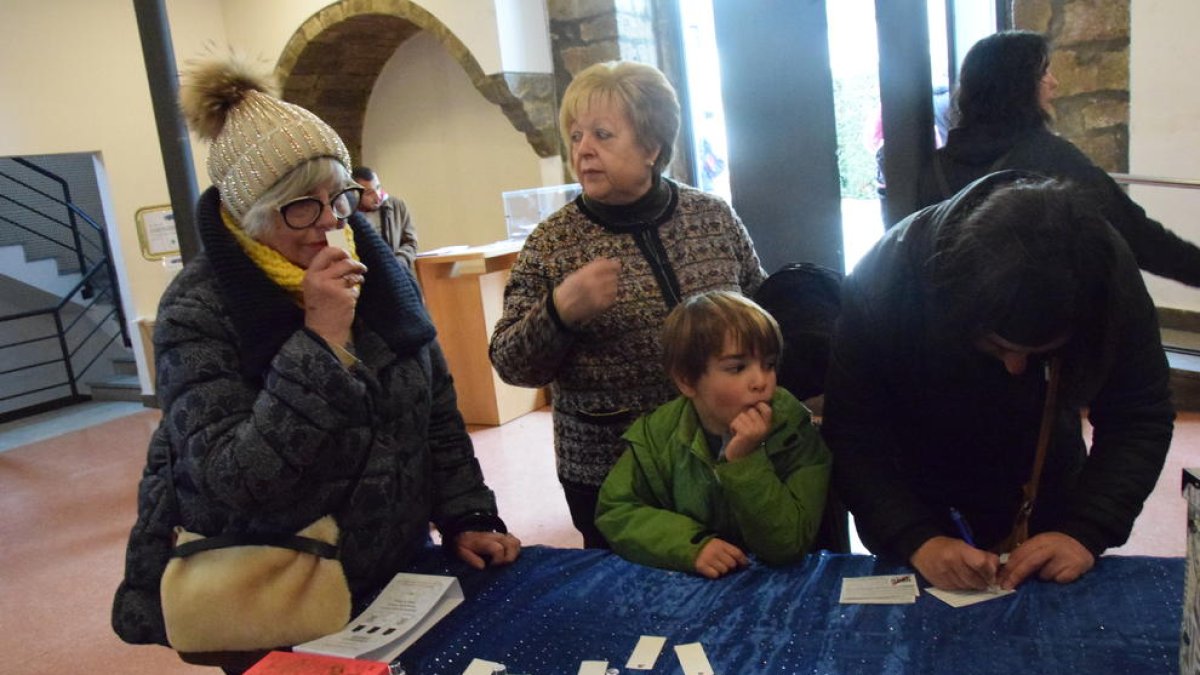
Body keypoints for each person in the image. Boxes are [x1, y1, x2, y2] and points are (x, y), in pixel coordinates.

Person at [111, 57, 519, 670]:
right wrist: (321, 340)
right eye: (301, 206)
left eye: (338, 197)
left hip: (392, 577)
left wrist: (468, 514)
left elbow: (434, 416)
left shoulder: (378, 272)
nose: (331, 221)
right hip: (271, 591)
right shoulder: (197, 309)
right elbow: (235, 478)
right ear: (251, 216)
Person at [822, 171, 1174, 592]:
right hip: (915, 494)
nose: (1014, 367)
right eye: (998, 347)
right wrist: (915, 537)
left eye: (1038, 353)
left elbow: (1138, 414)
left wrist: (1085, 530)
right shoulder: (886, 280)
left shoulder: (1104, 278)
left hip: (1046, 490)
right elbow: (854, 433)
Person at [489, 61, 766, 549]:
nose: (584, 150)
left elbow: (761, 315)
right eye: (575, 136)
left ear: (652, 147)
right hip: (612, 473)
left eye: (602, 134)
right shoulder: (553, 242)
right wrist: (559, 312)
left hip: (724, 456)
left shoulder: (712, 217)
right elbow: (512, 365)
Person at [917, 29, 1200, 287]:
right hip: (1041, 330)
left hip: (963, 330)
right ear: (1019, 87)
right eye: (1043, 74)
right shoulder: (1053, 161)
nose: (1054, 83)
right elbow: (1142, 239)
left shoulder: (936, 168)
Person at [594, 291, 830, 578]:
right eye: (737, 367)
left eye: (768, 364)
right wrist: (691, 546)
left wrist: (746, 461)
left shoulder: (794, 429)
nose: (761, 381)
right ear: (687, 380)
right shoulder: (657, 435)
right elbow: (616, 510)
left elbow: (787, 546)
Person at [351, 165, 419, 268]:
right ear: (355, 194)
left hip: (398, 270)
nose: (377, 196)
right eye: (369, 193)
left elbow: (411, 242)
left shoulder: (397, 206)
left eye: (378, 187)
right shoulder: (347, 216)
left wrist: (399, 262)